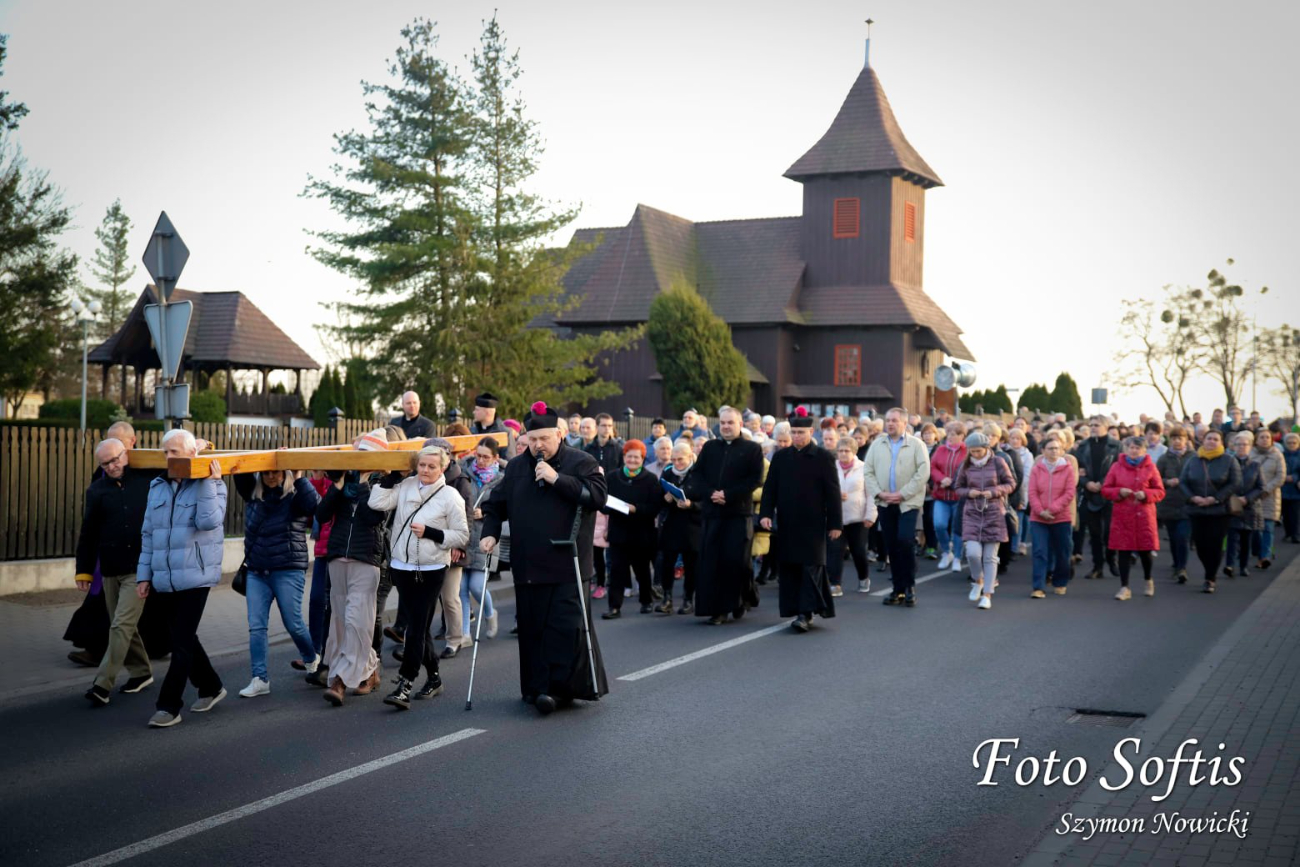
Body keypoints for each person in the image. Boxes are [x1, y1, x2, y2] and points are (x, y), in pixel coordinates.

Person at [481, 402, 610, 715]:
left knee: (564, 629)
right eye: (533, 439)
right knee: (533, 629)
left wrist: (557, 479)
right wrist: (490, 533)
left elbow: (597, 497)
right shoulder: (516, 468)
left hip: (568, 563)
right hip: (529, 564)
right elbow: (495, 505)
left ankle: (562, 691)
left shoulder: (582, 461)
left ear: (559, 435)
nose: (538, 445)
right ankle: (537, 688)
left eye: (544, 439)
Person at [137, 430, 227, 728]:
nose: (168, 458)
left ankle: (169, 706)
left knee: (182, 643)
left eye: (174, 452)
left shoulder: (213, 483)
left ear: (191, 454)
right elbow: (149, 534)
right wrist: (144, 575)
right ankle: (211, 686)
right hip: (164, 576)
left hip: (196, 575)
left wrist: (208, 481)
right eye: (165, 452)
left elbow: (209, 522)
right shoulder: (157, 485)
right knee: (181, 637)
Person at [368, 445, 469, 709]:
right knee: (419, 626)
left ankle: (406, 682)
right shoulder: (407, 485)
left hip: (431, 569)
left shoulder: (450, 496)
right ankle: (434, 677)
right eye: (422, 465)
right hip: (401, 566)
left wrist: (431, 532)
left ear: (443, 467)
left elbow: (462, 535)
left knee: (415, 626)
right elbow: (376, 503)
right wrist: (392, 477)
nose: (425, 470)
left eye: (431, 466)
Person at [74, 438, 157, 706]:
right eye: (105, 463)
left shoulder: (147, 479)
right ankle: (141, 672)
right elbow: (88, 533)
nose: (111, 466)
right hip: (111, 568)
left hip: (140, 569)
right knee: (121, 624)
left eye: (115, 459)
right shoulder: (96, 491)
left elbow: (179, 464)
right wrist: (84, 571)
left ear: (126, 454)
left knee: (121, 624)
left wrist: (202, 446)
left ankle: (102, 684)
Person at [233, 465, 321, 698]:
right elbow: (240, 470)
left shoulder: (296, 495)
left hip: (287, 569)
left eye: (277, 472)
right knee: (256, 627)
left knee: (293, 623)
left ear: (286, 474)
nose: (271, 476)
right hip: (257, 571)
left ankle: (311, 658)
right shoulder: (253, 494)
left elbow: (315, 506)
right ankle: (260, 679)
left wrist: (299, 476)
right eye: (266, 472)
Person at [315, 430, 389, 706]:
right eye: (359, 454)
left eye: (367, 455)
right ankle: (370, 668)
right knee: (341, 623)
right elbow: (321, 515)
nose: (361, 459)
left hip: (366, 559)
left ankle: (340, 680)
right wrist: (337, 486)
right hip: (337, 557)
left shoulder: (384, 484)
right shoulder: (345, 481)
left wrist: (364, 484)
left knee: (357, 621)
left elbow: (373, 517)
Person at [760, 408, 842, 631]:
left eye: (801, 432)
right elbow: (770, 488)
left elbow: (833, 493)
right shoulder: (781, 457)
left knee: (810, 567)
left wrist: (835, 524)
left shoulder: (823, 457)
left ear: (811, 432)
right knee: (790, 568)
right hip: (787, 522)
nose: (797, 436)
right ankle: (797, 609)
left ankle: (805, 613)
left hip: (813, 523)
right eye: (794, 432)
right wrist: (766, 513)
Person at [684, 406, 764, 625]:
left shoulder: (752, 449)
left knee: (737, 562)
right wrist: (711, 493)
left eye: (731, 422)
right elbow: (697, 475)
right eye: (723, 423)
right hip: (713, 514)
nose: (726, 426)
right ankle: (718, 609)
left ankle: (741, 599)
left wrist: (728, 495)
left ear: (740, 424)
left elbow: (755, 480)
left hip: (738, 514)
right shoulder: (710, 448)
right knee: (712, 562)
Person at [864, 407, 931, 607]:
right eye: (888, 420)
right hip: (885, 502)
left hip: (907, 503)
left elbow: (923, 472)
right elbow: (868, 471)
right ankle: (897, 589)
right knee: (891, 544)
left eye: (894, 420)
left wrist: (903, 494)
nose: (890, 423)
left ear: (904, 423)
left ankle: (909, 586)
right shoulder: (877, 445)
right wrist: (879, 493)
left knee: (905, 541)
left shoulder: (917, 445)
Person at [600, 440, 664, 618]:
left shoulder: (650, 479)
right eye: (629, 456)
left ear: (643, 459)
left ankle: (646, 601)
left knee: (642, 570)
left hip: (641, 533)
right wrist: (609, 508)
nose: (633, 460)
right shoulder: (612, 477)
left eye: (637, 457)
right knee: (616, 571)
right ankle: (614, 607)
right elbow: (602, 502)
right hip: (618, 532)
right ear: (624, 457)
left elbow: (655, 507)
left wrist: (636, 509)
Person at [954, 432, 1015, 610]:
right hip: (972, 512)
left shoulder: (998, 462)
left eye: (978, 451)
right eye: (972, 451)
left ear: (987, 448)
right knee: (972, 553)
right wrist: (969, 493)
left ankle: (987, 595)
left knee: (990, 557)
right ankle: (978, 580)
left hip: (994, 512)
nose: (975, 454)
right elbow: (958, 487)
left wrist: (994, 491)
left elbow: (1011, 483)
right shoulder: (965, 464)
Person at [1102, 436, 1166, 600]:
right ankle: (1125, 587)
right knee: (1123, 550)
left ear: (1144, 450)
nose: (1134, 451)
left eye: (1137, 448)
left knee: (1145, 551)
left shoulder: (1151, 467)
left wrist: (1146, 494)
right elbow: (1106, 489)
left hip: (1144, 515)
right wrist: (1118, 492)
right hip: (1123, 514)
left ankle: (1148, 580)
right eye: (1131, 447)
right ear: (1125, 449)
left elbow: (1160, 491)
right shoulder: (1116, 466)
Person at [1179, 429, 1242, 594]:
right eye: (1209, 438)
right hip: (1197, 509)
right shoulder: (1193, 460)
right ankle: (1209, 569)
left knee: (1214, 544)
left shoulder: (1229, 460)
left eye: (1215, 439)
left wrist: (1216, 499)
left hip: (1219, 511)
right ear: (1203, 441)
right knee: (1200, 545)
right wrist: (1193, 497)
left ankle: (1210, 578)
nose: (1212, 441)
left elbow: (1235, 482)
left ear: (1221, 442)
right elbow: (1183, 482)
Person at [460, 437, 504, 645]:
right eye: (478, 455)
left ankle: (490, 612)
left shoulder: (501, 480)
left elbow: (503, 509)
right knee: (461, 589)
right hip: (464, 536)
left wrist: (485, 513)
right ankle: (464, 634)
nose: (481, 460)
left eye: (486, 457)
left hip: (485, 537)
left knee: (477, 586)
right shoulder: (466, 473)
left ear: (495, 458)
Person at [1028, 436, 1077, 597]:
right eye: (1050, 448)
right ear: (1043, 451)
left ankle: (1060, 582)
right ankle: (1038, 587)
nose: (1054, 451)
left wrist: (1053, 509)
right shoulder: (1037, 469)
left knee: (1063, 552)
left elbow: (1069, 492)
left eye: (1057, 448)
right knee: (1039, 551)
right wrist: (1040, 510)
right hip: (1039, 518)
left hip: (1061, 517)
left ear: (1062, 451)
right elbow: (1032, 492)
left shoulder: (1067, 469)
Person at [657, 441, 701, 614]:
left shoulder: (698, 474)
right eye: (673, 459)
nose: (677, 463)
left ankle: (688, 599)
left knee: (691, 565)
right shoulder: (668, 472)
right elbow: (658, 496)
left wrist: (692, 505)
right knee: (667, 563)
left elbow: (706, 501)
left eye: (680, 459)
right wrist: (665, 499)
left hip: (692, 525)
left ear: (690, 456)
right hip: (672, 523)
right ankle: (666, 598)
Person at [1076, 417, 1121, 580]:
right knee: (1094, 533)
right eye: (1091, 425)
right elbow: (1078, 470)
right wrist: (1086, 483)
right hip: (1090, 494)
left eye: (1097, 425)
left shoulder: (1116, 446)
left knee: (1109, 532)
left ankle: (1111, 558)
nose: (1093, 428)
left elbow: (1119, 469)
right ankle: (1097, 566)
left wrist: (1103, 484)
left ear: (1106, 427)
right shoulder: (1083, 446)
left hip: (1110, 494)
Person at [829, 439, 875, 595]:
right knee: (835, 550)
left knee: (858, 551)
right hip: (836, 518)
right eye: (840, 451)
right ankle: (835, 584)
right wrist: (835, 495)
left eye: (846, 451)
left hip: (858, 518)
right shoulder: (831, 467)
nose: (843, 454)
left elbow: (871, 494)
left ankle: (863, 578)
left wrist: (870, 515)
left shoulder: (864, 468)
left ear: (854, 452)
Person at [1156, 425, 1194, 584]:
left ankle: (1182, 568)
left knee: (1183, 536)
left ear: (1186, 440)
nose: (1177, 441)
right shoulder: (1164, 458)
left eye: (1180, 438)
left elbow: (1199, 477)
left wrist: (1185, 482)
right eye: (1174, 438)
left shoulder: (1194, 457)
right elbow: (1155, 479)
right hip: (1168, 503)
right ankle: (1176, 563)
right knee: (1173, 537)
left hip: (1188, 502)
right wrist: (1166, 481)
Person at [1225, 432, 1264, 578]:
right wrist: (1232, 497)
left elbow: (1261, 487)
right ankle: (1229, 565)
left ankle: (1243, 566)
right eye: (1238, 444)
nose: (1241, 447)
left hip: (1249, 507)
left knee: (1246, 539)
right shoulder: (1228, 463)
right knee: (1232, 538)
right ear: (1233, 446)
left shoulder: (1255, 465)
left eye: (1244, 444)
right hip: (1232, 506)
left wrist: (1247, 498)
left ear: (1250, 447)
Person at [929, 420, 967, 574]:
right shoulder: (940, 450)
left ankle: (957, 556)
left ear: (962, 436)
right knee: (939, 524)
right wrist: (941, 479)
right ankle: (946, 552)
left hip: (959, 498)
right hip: (941, 495)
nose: (950, 437)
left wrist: (955, 482)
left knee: (958, 529)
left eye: (953, 434)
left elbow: (969, 471)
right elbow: (932, 467)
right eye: (948, 434)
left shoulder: (967, 451)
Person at [1249, 428, 1284, 569]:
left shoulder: (1277, 455)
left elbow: (1280, 476)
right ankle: (1258, 554)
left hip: (1270, 496)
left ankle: (1265, 557)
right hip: (1253, 496)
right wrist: (1255, 491)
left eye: (1267, 437)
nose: (1265, 440)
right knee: (1255, 529)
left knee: (1268, 528)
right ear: (1256, 440)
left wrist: (1266, 489)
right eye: (1262, 437)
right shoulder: (1250, 454)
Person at [1281, 432, 1300, 543]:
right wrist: (1283, 477)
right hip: (1283, 488)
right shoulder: (1281, 455)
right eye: (1289, 443)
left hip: (1296, 489)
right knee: (1285, 514)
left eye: (1294, 443)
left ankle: (1295, 534)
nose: (1292, 444)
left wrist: (1294, 477)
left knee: (1295, 514)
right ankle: (1288, 533)